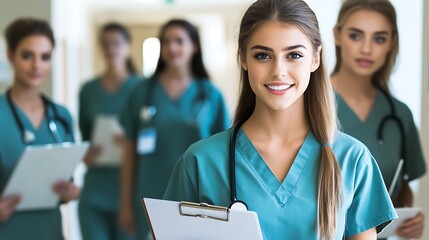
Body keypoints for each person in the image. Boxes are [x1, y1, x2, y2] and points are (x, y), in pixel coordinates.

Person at [163, 0, 397, 239]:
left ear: (315, 59)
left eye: (294, 55)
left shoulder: (353, 160)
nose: (278, 70)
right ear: (243, 58)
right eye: (263, 55)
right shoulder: (200, 162)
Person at [118, 19, 230, 238]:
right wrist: (124, 204)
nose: (172, 48)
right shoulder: (141, 92)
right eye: (166, 41)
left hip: (198, 196)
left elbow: (224, 153)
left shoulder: (210, 95)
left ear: (194, 46)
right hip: (150, 194)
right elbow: (129, 152)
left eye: (179, 41)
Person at [332, 0, 426, 238]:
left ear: (391, 43)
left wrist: (407, 219)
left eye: (379, 38)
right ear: (337, 36)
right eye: (356, 36)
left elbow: (401, 187)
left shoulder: (399, 114)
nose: (366, 49)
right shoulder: (307, 104)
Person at [0, 18, 79, 239]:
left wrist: (69, 193)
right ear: (10, 55)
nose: (37, 66)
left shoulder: (61, 116)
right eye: (27, 56)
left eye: (45, 57)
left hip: (49, 230)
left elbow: (66, 178)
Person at [78, 22, 140, 240]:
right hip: (95, 189)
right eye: (105, 44)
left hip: (130, 190)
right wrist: (85, 154)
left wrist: (131, 143)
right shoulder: (88, 90)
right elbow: (84, 139)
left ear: (128, 47)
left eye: (116, 43)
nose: (111, 49)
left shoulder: (141, 88)